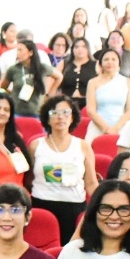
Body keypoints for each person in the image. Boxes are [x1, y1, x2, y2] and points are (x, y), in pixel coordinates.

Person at [30, 94, 97, 244]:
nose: (60, 117)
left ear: (72, 117)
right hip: (42, 205)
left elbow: (91, 183)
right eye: (54, 113)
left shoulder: (83, 146)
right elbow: (29, 180)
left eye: (65, 112)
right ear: (47, 118)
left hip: (73, 207)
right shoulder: (36, 146)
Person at [85, 48, 130, 136]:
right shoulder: (93, 82)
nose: (110, 62)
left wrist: (116, 128)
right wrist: (106, 129)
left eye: (113, 59)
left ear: (119, 63)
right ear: (101, 63)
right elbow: (91, 110)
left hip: (121, 127)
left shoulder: (127, 82)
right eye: (106, 59)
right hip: (98, 126)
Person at [2, 39, 50, 118]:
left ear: (31, 52)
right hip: (16, 111)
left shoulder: (42, 68)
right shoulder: (13, 69)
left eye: (20, 50)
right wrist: (12, 94)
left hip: (36, 111)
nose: (18, 53)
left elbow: (59, 77)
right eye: (17, 50)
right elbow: (3, 87)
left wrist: (48, 95)